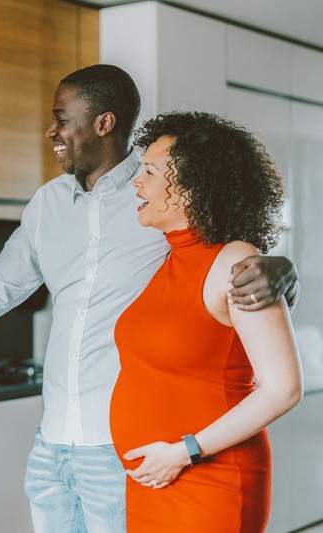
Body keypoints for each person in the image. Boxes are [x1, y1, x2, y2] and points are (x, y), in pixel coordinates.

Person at [0, 65, 299, 533]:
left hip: (125, 449)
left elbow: (229, 256)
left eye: (61, 117)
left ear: (103, 123)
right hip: (53, 441)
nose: (51, 131)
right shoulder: (48, 205)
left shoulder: (164, 196)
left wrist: (283, 269)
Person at [110, 112, 303, 532]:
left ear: (191, 186)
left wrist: (184, 451)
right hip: (153, 477)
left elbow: (283, 388)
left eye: (149, 172)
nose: (136, 183)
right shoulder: (167, 259)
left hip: (205, 477)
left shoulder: (236, 261)